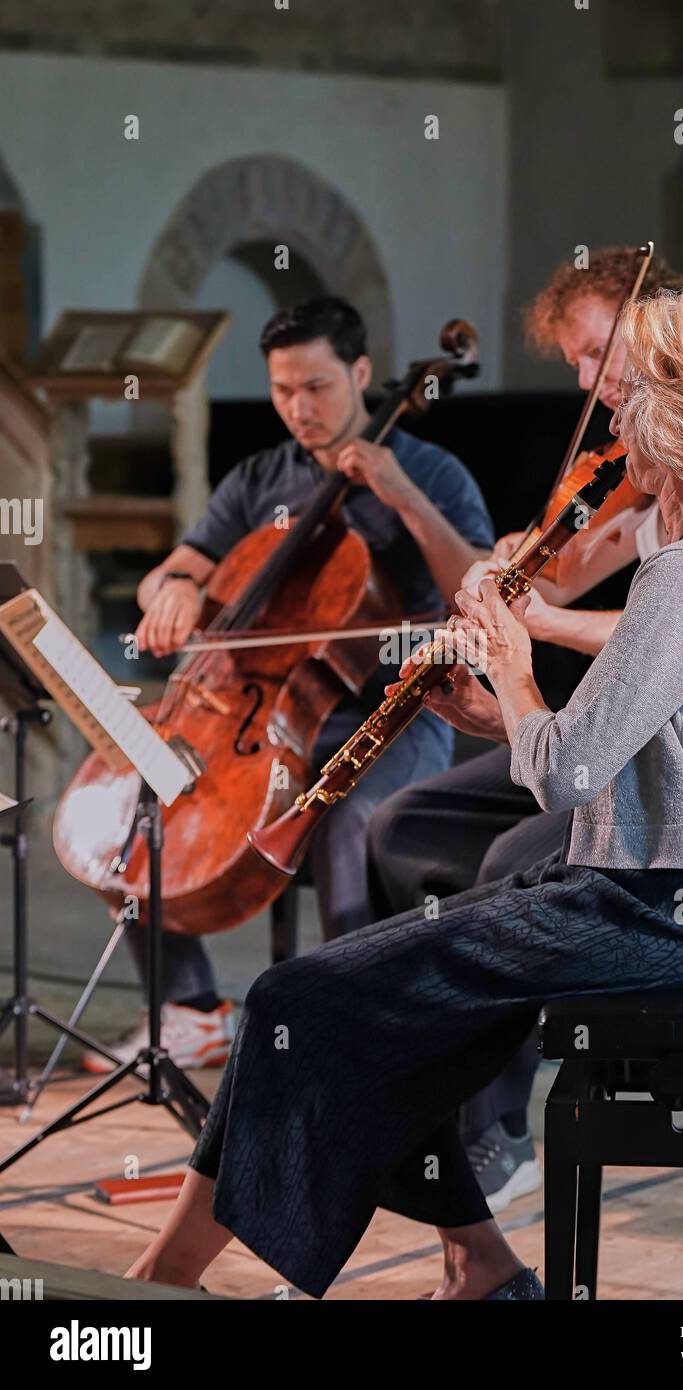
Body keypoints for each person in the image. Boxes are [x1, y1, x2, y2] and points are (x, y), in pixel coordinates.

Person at [128, 284, 683, 1300]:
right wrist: (496, 713)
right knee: (380, 1030)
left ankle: (163, 1281)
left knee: (290, 999)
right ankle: (479, 1268)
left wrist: (510, 658)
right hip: (644, 892)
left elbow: (566, 775)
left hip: (653, 909)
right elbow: (603, 747)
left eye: (632, 399)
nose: (611, 415)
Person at [367, 248, 683, 1212]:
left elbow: (661, 659)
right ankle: (440, 1111)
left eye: (595, 359)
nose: (594, 395)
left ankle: (495, 1132)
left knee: (503, 873)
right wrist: (509, 652)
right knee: (406, 824)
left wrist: (519, 647)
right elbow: (599, 623)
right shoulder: (672, 505)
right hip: (645, 755)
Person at [82, 297, 493, 1075]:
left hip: (392, 715)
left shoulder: (430, 469)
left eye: (317, 388)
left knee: (346, 821)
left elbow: (477, 583)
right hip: (261, 710)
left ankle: (349, 1033)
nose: (299, 409)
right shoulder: (257, 478)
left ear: (362, 375)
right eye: (282, 391)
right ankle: (193, 1008)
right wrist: (169, 588)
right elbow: (186, 565)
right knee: (143, 797)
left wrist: (401, 492)